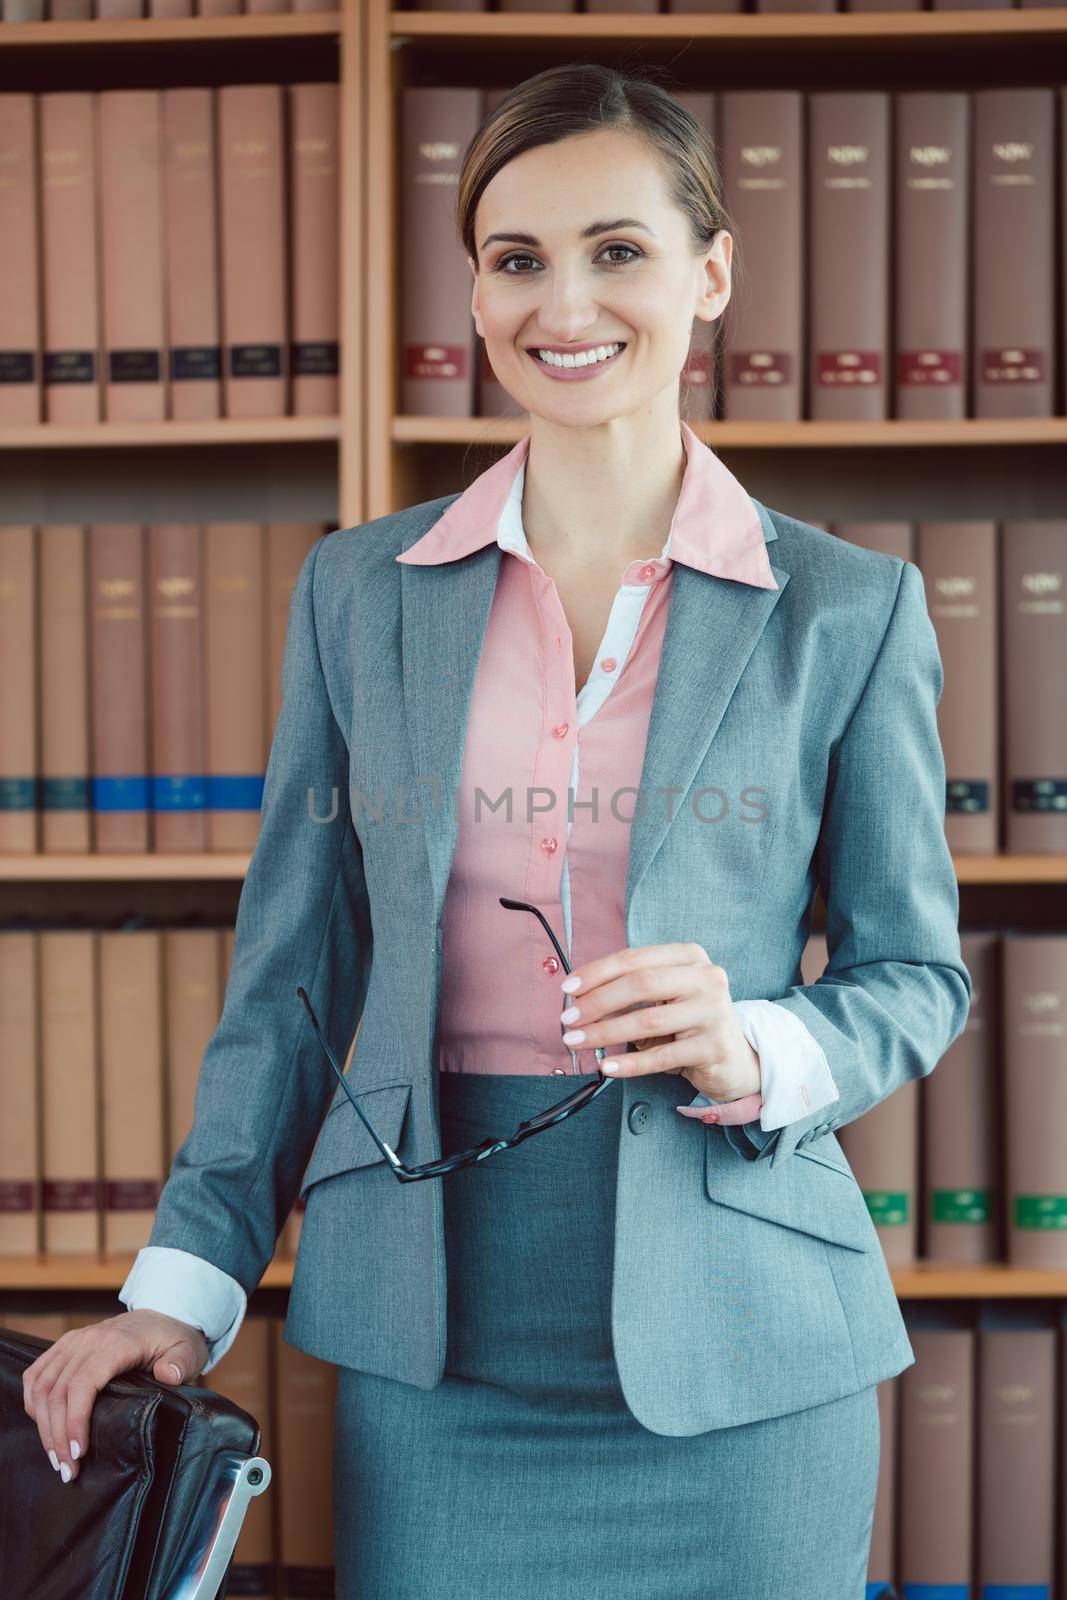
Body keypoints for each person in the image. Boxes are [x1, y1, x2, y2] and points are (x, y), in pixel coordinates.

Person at [23, 61, 971, 1598]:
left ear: (711, 274)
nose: (563, 302)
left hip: (745, 1356)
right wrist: (183, 1291)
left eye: (617, 249)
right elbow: (293, 977)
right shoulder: (360, 592)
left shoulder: (851, 612)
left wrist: (758, 1048)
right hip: (430, 1335)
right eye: (516, 258)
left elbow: (915, 975)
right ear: (474, 290)